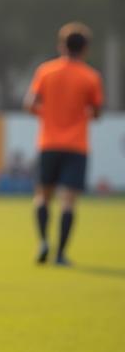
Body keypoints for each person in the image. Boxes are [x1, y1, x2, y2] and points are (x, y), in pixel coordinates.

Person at [25, 22, 103, 265]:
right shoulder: (90, 77)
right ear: (85, 49)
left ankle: (43, 241)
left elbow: (30, 104)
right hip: (76, 146)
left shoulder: (46, 71)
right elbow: (97, 111)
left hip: (49, 143)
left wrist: (47, 115)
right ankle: (60, 254)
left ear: (62, 45)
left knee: (42, 196)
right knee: (68, 201)